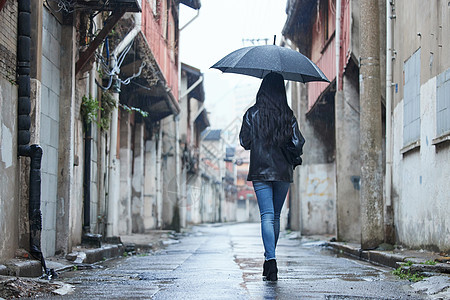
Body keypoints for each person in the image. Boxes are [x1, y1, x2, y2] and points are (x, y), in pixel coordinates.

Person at [239, 72, 305, 281]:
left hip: (260, 170)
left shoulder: (252, 113)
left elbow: (245, 141)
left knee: (266, 216)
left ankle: (271, 260)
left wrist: (260, 137)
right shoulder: (288, 115)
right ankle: (270, 259)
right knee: (275, 216)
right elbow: (297, 143)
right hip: (282, 171)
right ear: (281, 91)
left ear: (262, 89)